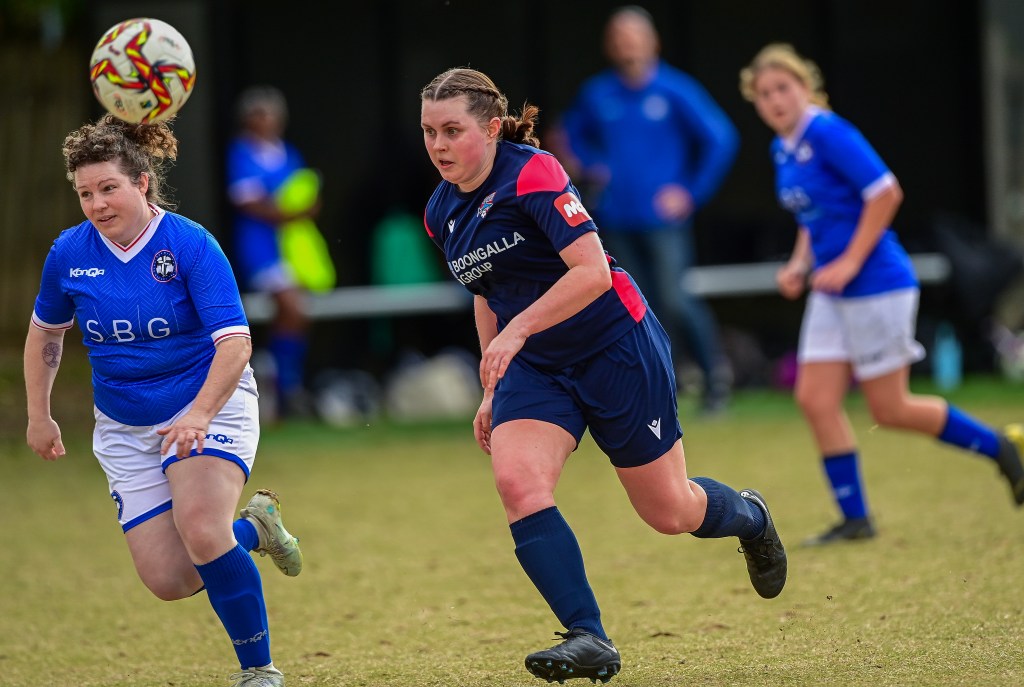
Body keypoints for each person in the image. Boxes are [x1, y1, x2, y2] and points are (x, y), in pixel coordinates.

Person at [419, 67, 786, 684]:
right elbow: (487, 292)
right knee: (517, 482)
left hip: (616, 347)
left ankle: (751, 517)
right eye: (429, 131)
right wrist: (492, 387)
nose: (438, 145)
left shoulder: (534, 173)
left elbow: (591, 273)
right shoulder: (440, 212)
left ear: (491, 128)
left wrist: (517, 331)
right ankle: (588, 635)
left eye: (452, 130)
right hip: (539, 366)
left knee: (669, 511)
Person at [24, 113, 304, 687]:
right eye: (85, 193)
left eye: (108, 188)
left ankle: (258, 670)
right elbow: (46, 333)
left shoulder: (190, 244)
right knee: (170, 580)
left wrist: (199, 413)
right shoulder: (69, 252)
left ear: (142, 182)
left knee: (201, 528)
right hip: (124, 425)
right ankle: (256, 529)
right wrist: (39, 414)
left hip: (207, 403)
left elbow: (235, 343)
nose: (97, 204)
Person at [739, 43, 1024, 546]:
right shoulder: (783, 147)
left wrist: (849, 261)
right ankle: (855, 519)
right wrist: (800, 264)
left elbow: (885, 192)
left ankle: (1002, 448)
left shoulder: (827, 131)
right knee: (815, 399)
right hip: (832, 291)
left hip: (876, 284)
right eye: (764, 93)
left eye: (783, 87)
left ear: (806, 87)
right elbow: (812, 216)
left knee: (890, 409)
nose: (775, 99)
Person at [559, 5, 738, 413]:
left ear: (652, 42)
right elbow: (569, 135)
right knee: (634, 306)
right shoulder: (598, 93)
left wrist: (690, 192)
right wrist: (589, 164)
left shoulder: (675, 89)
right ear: (610, 46)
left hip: (662, 220)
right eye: (620, 40)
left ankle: (714, 379)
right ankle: (658, 389)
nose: (628, 47)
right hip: (615, 217)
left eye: (634, 38)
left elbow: (721, 139)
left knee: (675, 299)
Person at [226, 85, 320, 419]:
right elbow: (249, 203)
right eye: (260, 114)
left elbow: (302, 194)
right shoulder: (241, 153)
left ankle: (283, 380)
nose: (267, 120)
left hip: (292, 248)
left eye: (272, 114)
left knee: (299, 311)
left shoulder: (288, 153)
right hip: (261, 249)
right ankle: (285, 387)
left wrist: (307, 207)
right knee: (291, 307)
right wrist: (291, 213)